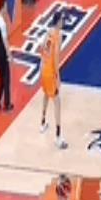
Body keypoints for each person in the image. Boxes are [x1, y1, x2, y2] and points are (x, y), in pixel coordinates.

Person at [39, 11, 68, 149]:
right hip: (50, 72)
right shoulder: (58, 35)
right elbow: (56, 57)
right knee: (57, 103)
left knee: (45, 94)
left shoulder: (48, 31)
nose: (64, 22)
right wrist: (57, 75)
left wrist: (44, 63)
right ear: (58, 21)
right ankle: (58, 136)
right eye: (62, 19)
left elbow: (41, 48)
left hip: (43, 68)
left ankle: (42, 122)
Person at [0, 0, 13, 112]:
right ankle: (7, 104)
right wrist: (9, 55)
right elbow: (5, 40)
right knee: (6, 78)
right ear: (3, 6)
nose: (7, 8)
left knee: (1, 77)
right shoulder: (2, 23)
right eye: (6, 6)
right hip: (2, 52)